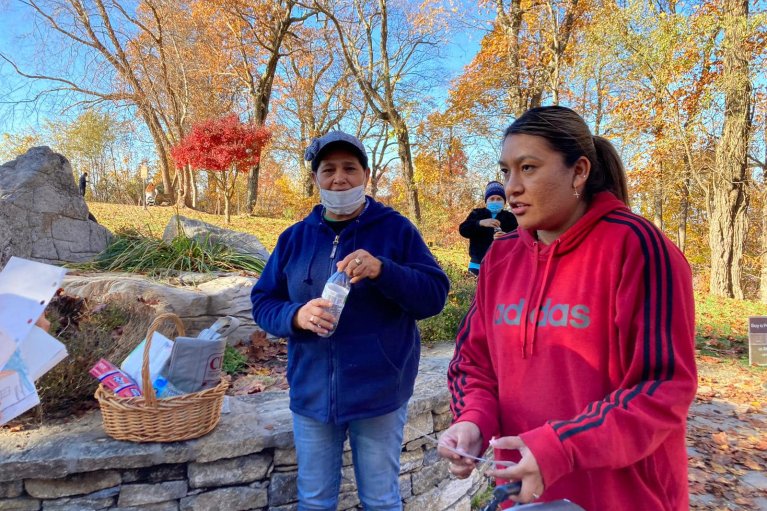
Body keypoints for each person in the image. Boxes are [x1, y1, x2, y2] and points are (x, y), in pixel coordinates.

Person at [437, 106, 696, 511]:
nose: (512, 187)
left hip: (623, 496)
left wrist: (558, 448)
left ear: (578, 172)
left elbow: (661, 389)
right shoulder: (500, 257)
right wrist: (471, 420)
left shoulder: (638, 247)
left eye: (528, 168)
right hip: (524, 494)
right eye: (506, 171)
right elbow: (473, 363)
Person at [251, 130, 449, 511]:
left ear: (366, 175)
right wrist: (295, 315)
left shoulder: (396, 230)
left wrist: (384, 270)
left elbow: (434, 296)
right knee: (314, 501)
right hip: (311, 394)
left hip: (379, 394)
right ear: (315, 179)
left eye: (349, 168)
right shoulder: (294, 239)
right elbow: (263, 301)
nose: (339, 178)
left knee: (380, 500)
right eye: (328, 170)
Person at [459, 181, 518, 276]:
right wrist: (480, 223)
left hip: (502, 265)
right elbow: (463, 230)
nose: (495, 201)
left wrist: (506, 237)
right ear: (486, 201)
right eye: (492, 198)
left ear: (504, 202)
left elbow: (519, 237)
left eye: (499, 199)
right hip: (476, 264)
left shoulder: (510, 217)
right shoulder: (477, 213)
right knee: (474, 290)